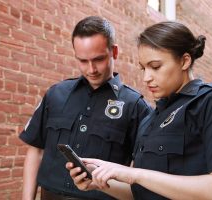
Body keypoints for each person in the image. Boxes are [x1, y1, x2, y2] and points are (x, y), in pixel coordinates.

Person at [67, 21, 212, 200]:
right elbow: (140, 192)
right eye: (143, 68)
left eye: (155, 67)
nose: (146, 78)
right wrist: (99, 181)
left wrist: (134, 173)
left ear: (184, 61)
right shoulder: (150, 119)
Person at [19, 16, 151, 200]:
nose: (91, 69)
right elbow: (36, 150)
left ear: (114, 51)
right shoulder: (56, 94)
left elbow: (140, 174)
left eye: (98, 59)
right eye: (82, 61)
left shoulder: (136, 107)